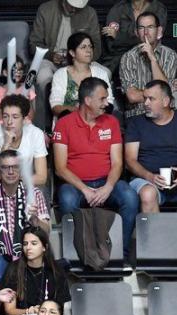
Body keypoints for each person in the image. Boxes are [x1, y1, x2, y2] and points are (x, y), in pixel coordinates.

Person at [53, 77, 138, 256]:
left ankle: (118, 253)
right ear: (87, 100)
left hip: (106, 182)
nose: (106, 103)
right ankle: (75, 254)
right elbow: (60, 168)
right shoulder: (64, 124)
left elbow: (117, 163)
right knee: (67, 200)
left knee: (130, 197)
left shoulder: (111, 122)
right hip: (76, 185)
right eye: (102, 99)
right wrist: (85, 189)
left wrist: (107, 187)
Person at [0, 150, 51, 285]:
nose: (11, 171)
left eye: (15, 167)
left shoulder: (34, 193)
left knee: (38, 278)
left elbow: (47, 233)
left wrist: (35, 221)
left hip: (27, 247)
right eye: (5, 167)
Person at [29, 0, 101, 130]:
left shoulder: (90, 13)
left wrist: (79, 57)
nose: (74, 9)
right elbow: (34, 44)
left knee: (103, 72)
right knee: (43, 77)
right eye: (71, 6)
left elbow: (97, 47)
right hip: (51, 59)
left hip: (80, 60)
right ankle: (44, 126)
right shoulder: (46, 10)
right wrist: (51, 55)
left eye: (77, 7)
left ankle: (97, 122)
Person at [125, 80, 177, 213]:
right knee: (147, 194)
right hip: (147, 178)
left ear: (165, 101)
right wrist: (150, 176)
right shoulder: (136, 123)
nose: (145, 103)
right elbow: (130, 161)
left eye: (151, 99)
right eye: (145, 98)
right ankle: (156, 234)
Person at [0, 226, 71, 315]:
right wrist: (29, 312)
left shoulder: (56, 270)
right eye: (25, 244)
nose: (28, 247)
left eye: (34, 243)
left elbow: (62, 307)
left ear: (44, 247)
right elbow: (10, 311)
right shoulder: (14, 269)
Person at [119, 12, 177, 119]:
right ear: (136, 32)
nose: (146, 32)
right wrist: (160, 95)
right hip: (138, 115)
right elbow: (132, 96)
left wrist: (153, 59)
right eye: (141, 28)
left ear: (159, 31)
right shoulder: (128, 57)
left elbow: (165, 94)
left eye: (150, 27)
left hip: (165, 114)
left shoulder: (170, 55)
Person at [0, 95, 47, 186]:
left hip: (25, 186)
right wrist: (6, 145)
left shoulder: (36, 134)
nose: (9, 122)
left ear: (24, 119)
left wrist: (14, 182)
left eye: (15, 117)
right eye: (5, 116)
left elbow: (41, 177)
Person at [50, 32, 113, 119]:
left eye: (90, 46)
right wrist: (82, 110)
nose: (89, 50)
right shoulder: (60, 74)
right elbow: (56, 107)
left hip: (96, 123)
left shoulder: (101, 73)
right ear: (72, 53)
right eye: (83, 47)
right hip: (68, 124)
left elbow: (109, 103)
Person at [99, 0, 168, 75]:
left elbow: (155, 38)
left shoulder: (158, 8)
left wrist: (119, 37)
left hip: (149, 55)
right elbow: (110, 44)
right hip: (118, 60)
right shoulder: (118, 9)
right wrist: (138, 40)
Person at [0, 56, 36, 124]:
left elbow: (31, 117)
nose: (18, 72)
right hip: (6, 126)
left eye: (20, 69)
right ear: (5, 72)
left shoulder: (27, 89)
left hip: (24, 126)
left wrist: (27, 99)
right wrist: (6, 97)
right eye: (14, 69)